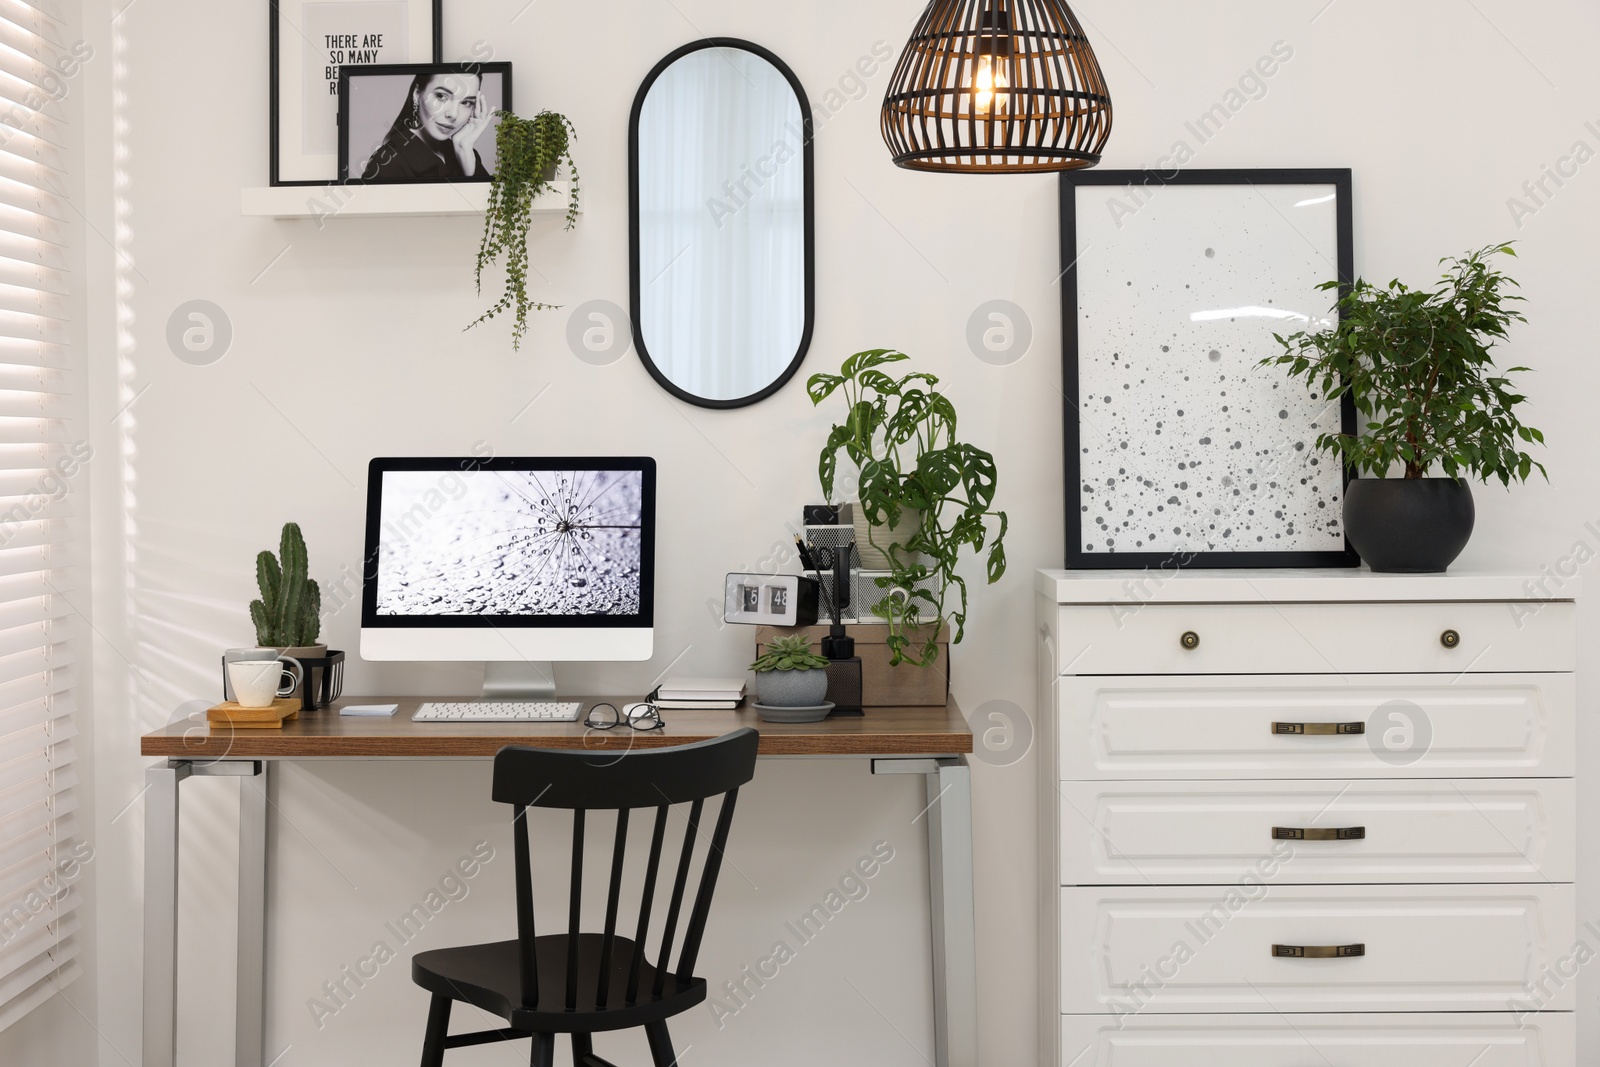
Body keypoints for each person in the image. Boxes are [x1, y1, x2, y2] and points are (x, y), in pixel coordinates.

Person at [360, 71, 494, 181]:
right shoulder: (388, 164)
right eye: (442, 96)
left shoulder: (465, 151)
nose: (453, 114)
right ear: (417, 94)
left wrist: (465, 154)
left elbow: (490, 210)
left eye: (466, 103)